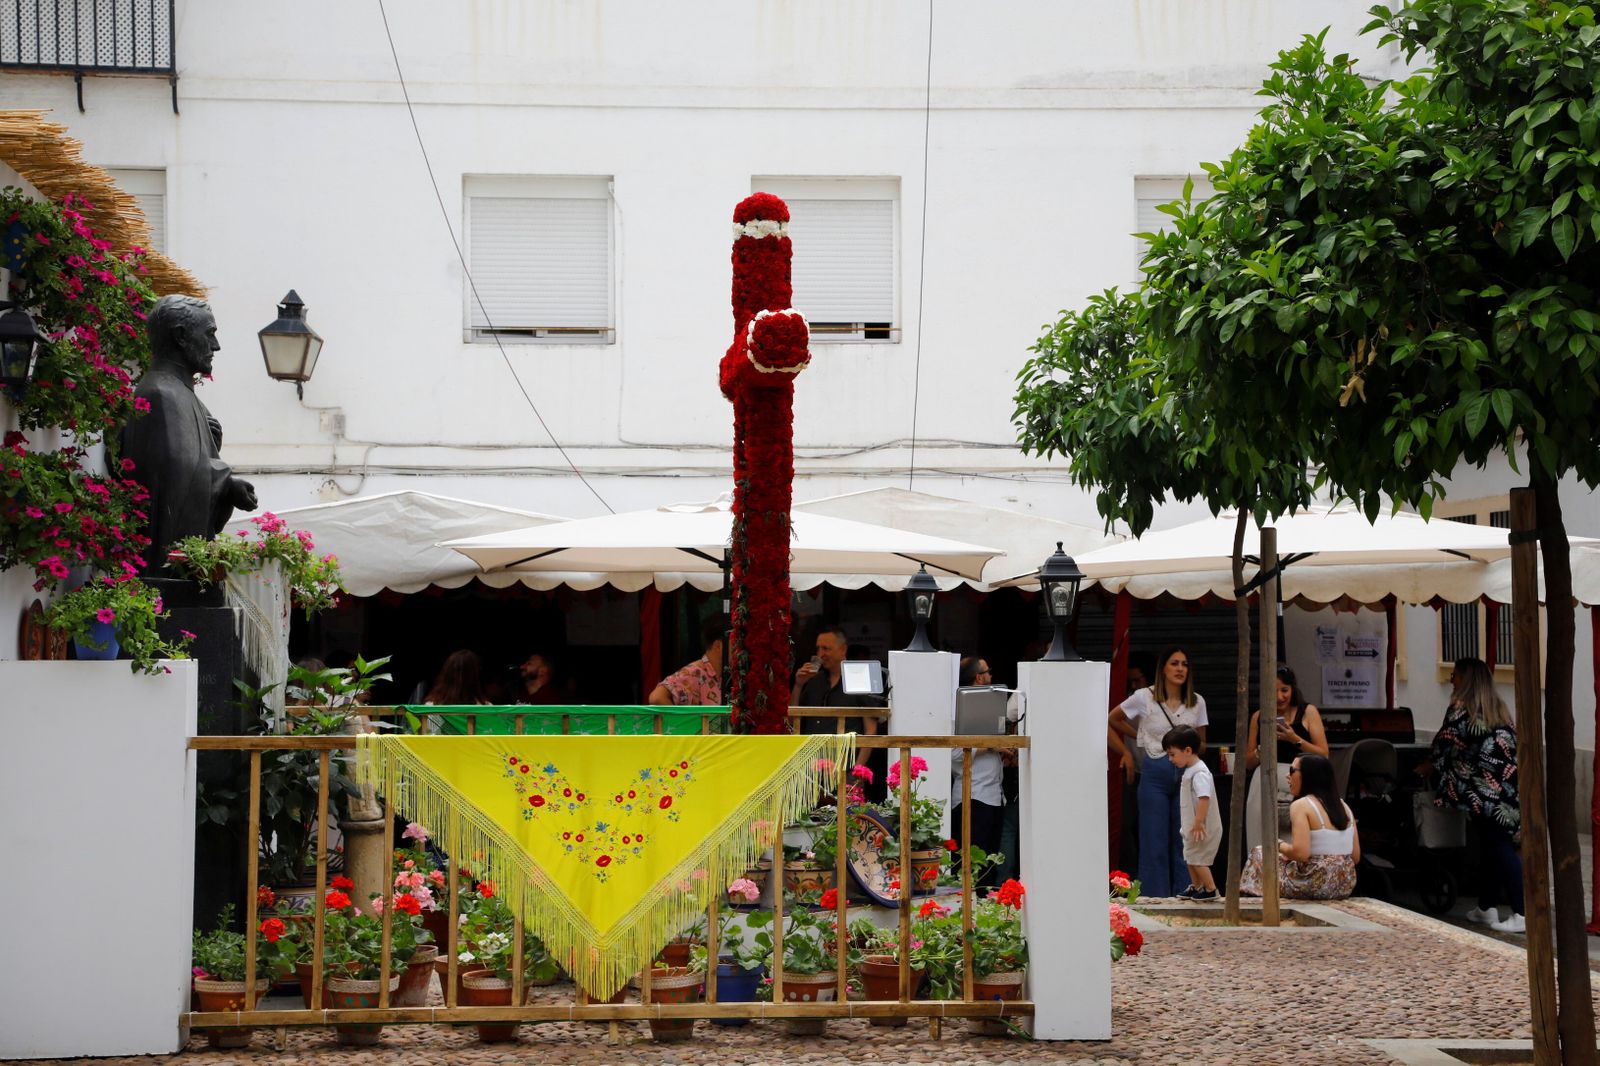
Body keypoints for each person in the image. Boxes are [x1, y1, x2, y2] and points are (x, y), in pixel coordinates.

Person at [120, 295, 257, 573]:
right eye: (209, 335)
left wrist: (211, 451)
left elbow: (188, 469)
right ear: (181, 336)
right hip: (165, 572)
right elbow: (174, 483)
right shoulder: (160, 394)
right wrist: (225, 481)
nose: (215, 346)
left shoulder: (182, 395)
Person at [1427, 657, 1524, 933]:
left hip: (1482, 790)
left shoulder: (1460, 708)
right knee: (1493, 846)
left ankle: (1521, 912)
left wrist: (1429, 766)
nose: (1451, 680)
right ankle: (1486, 907)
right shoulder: (1499, 709)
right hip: (1505, 789)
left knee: (1500, 847)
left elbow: (1444, 743)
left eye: (1455, 675)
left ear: (1466, 680)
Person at [1107, 646, 1208, 898]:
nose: (1180, 669)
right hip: (1154, 772)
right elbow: (1113, 718)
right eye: (1174, 663)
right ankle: (1155, 896)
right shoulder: (1144, 697)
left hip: (1185, 774)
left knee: (1184, 838)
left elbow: (1202, 743)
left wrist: (1188, 749)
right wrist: (1133, 743)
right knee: (1154, 839)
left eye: (1184, 664)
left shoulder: (1197, 701)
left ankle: (1187, 891)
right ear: (1163, 668)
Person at [1242, 753, 1361, 900]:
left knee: (1259, 852)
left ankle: (1253, 902)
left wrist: (1278, 844)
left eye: (1292, 770)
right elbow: (1355, 857)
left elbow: (1301, 853)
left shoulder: (1301, 805)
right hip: (1344, 885)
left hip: (1314, 884)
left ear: (1309, 776)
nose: (1287, 776)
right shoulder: (1345, 807)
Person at [792, 625, 884, 800]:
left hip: (845, 770)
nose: (821, 654)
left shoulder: (859, 677)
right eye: (818, 648)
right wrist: (798, 685)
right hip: (811, 772)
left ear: (843, 650)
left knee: (846, 823)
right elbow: (792, 721)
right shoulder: (814, 681)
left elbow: (871, 731)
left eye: (826, 648)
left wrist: (856, 773)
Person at [1244, 664, 1329, 852]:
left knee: (1294, 836)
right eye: (1273, 691)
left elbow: (1323, 754)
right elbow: (1248, 762)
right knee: (1259, 836)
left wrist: (1295, 740)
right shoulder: (1258, 716)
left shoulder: (1307, 712)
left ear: (1293, 689)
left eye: (1284, 690)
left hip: (1300, 777)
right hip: (1264, 779)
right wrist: (1262, 749)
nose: (1280, 697)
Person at [952, 656, 1003, 884]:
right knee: (972, 867)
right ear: (979, 678)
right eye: (988, 671)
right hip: (972, 796)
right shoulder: (960, 709)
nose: (991, 676)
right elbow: (954, 757)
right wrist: (986, 744)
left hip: (993, 796)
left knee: (989, 866)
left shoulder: (989, 707)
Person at [1164, 725, 1221, 900]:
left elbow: (1204, 798)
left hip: (1200, 827)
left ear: (1187, 750)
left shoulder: (1200, 773)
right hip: (1192, 826)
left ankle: (1210, 888)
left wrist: (1198, 822)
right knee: (1190, 856)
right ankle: (1198, 886)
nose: (1170, 759)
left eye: (1172, 754)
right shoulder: (1191, 771)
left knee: (1198, 858)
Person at [647, 618, 724, 706]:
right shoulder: (695, 673)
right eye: (734, 644)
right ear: (718, 646)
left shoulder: (722, 676)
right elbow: (657, 697)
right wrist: (678, 720)